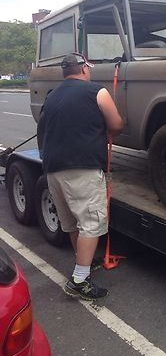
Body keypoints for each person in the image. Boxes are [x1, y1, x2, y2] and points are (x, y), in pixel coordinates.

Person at [38, 53, 123, 300]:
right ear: (84, 68)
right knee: (91, 223)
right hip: (82, 168)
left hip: (52, 169)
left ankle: (81, 267)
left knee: (73, 222)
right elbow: (116, 125)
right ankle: (79, 281)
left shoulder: (52, 96)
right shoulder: (97, 92)